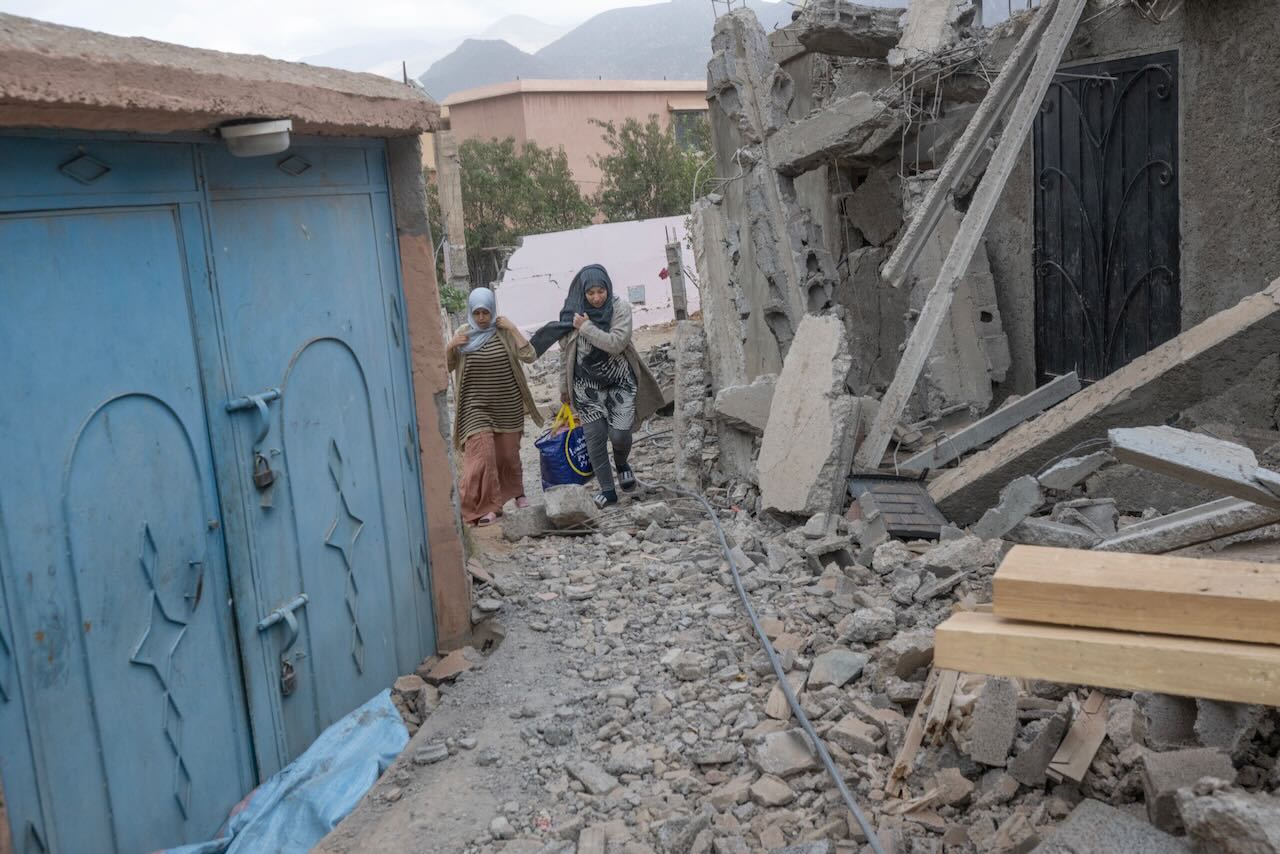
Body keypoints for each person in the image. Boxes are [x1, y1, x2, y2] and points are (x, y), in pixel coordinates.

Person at [531, 265, 664, 508]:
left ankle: (622, 463)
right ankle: (607, 490)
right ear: (582, 292)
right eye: (590, 293)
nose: (596, 298)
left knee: (620, 435)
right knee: (595, 438)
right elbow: (565, 354)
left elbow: (616, 343)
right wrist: (564, 388)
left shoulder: (619, 309)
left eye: (600, 291)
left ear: (608, 288)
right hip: (585, 386)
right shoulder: (573, 313)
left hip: (619, 382)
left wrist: (586, 327)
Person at [447, 287, 543, 526]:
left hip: (507, 404)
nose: (481, 318)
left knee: (507, 455)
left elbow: (530, 356)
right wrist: (450, 346)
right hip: (474, 407)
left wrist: (513, 329)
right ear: (471, 312)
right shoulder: (463, 334)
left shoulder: (503, 331)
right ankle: (487, 507)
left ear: (492, 311)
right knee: (483, 457)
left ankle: (516, 492)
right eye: (477, 313)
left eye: (486, 312)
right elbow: (445, 367)